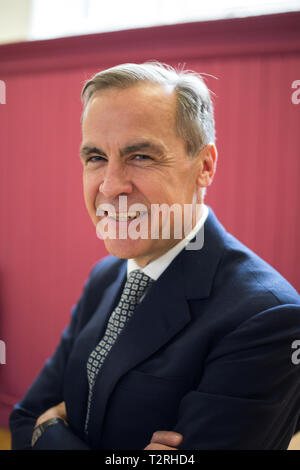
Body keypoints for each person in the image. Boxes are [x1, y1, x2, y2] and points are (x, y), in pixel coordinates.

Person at [10, 62, 300, 450]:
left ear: (205, 166)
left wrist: (51, 433)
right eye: (96, 157)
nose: (111, 186)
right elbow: (26, 418)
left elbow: (38, 428)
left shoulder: (269, 317)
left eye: (141, 156)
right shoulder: (107, 277)